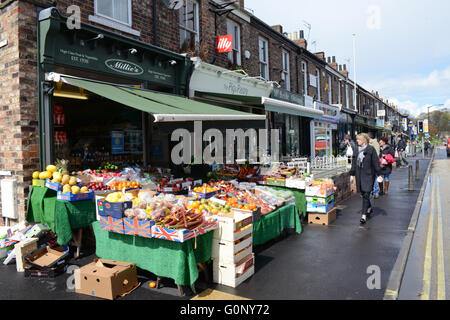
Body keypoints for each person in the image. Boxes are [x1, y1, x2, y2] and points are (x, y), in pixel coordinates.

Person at [350, 133, 381, 225]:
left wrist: (379, 174)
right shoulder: (356, 149)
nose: (357, 141)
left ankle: (363, 216)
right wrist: (352, 174)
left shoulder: (371, 149)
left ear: (363, 140)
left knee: (367, 193)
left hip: (368, 175)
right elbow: (354, 162)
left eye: (359, 140)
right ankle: (369, 207)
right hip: (359, 175)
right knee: (363, 194)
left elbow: (376, 162)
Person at [368, 132, 381, 198]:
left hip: (374, 163)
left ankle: (376, 192)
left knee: (375, 177)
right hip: (371, 163)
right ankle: (373, 192)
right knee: (371, 178)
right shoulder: (370, 143)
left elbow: (377, 154)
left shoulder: (374, 143)